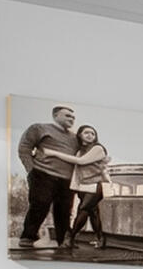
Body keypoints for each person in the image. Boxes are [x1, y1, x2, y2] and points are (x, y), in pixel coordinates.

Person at [15, 104, 81, 248]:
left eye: (73, 117)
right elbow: (24, 148)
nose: (72, 119)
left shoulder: (75, 138)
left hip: (66, 180)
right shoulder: (39, 128)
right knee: (40, 205)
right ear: (55, 116)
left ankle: (63, 241)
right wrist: (31, 170)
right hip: (43, 174)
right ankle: (28, 237)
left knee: (64, 210)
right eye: (68, 116)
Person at [65, 123, 111, 251]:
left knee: (83, 208)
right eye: (86, 133)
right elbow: (77, 170)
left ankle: (70, 238)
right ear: (80, 135)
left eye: (93, 133)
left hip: (96, 184)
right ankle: (101, 239)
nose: (90, 135)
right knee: (93, 212)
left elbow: (81, 162)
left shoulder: (97, 148)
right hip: (83, 185)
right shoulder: (79, 150)